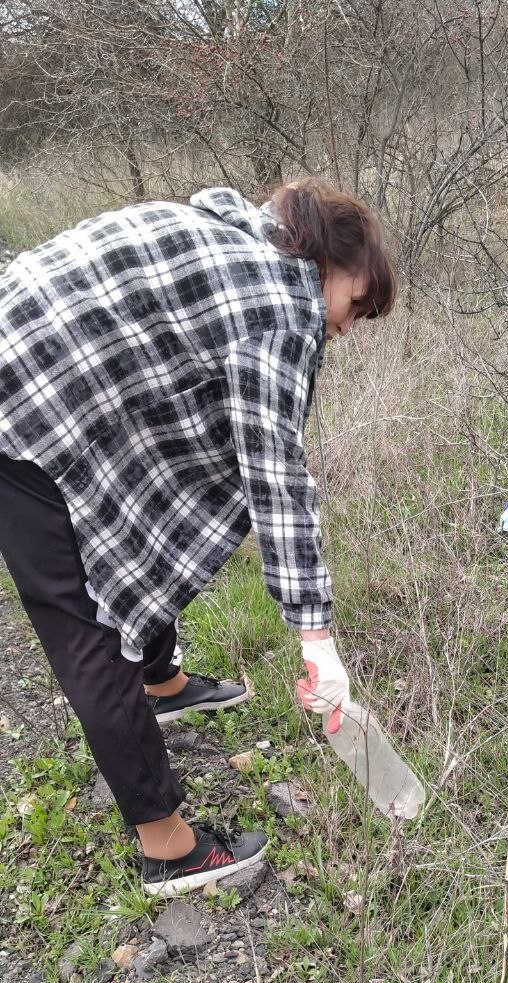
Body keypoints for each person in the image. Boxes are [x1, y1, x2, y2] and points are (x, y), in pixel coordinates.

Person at [0, 179, 396, 896]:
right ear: (329, 263)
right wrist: (318, 639)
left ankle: (163, 682)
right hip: (19, 390)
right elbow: (277, 477)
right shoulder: (279, 307)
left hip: (34, 347)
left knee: (130, 532)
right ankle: (168, 847)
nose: (348, 325)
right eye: (356, 303)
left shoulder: (246, 237)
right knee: (84, 617)